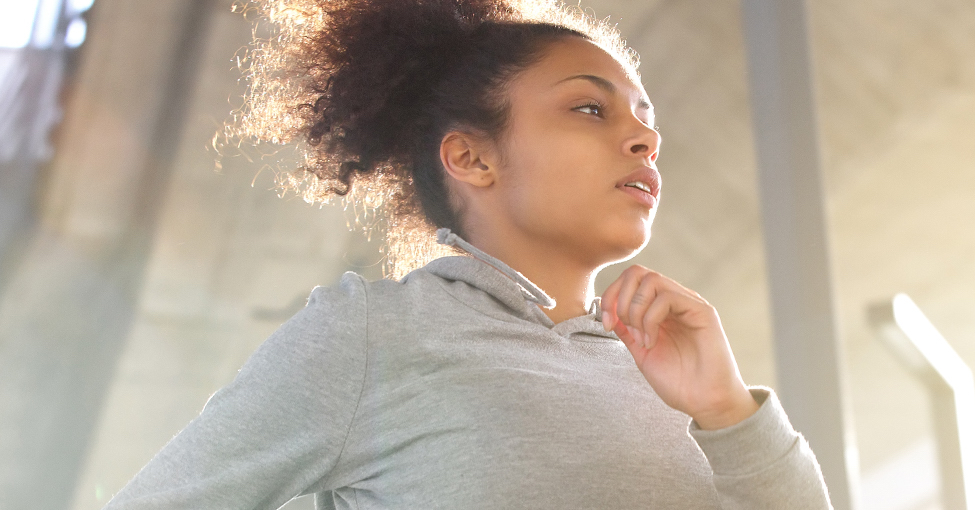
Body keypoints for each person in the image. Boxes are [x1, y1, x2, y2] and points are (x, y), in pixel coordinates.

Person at [106, 0, 832, 508]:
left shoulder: (668, 370)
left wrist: (728, 412)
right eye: (589, 107)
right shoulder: (373, 334)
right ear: (472, 158)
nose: (645, 140)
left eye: (647, 122)